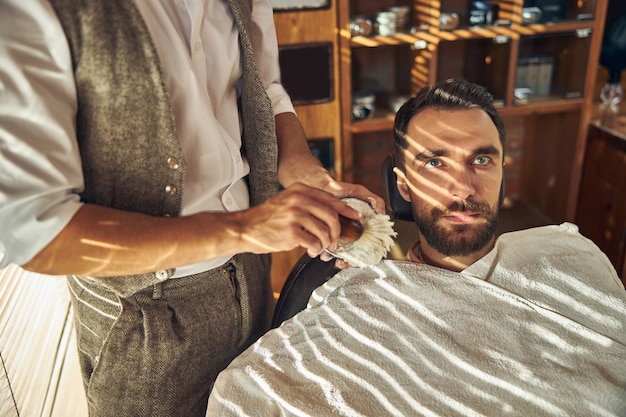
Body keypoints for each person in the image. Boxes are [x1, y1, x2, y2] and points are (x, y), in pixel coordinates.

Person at [0, 1, 384, 416]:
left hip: (252, 273)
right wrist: (245, 228)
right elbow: (38, 234)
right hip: (144, 318)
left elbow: (264, 93)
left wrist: (313, 179)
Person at [207, 79, 626, 416]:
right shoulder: (362, 296)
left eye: (481, 160)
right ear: (403, 184)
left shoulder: (572, 254)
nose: (462, 187)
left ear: (502, 170)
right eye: (434, 162)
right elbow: (244, 394)